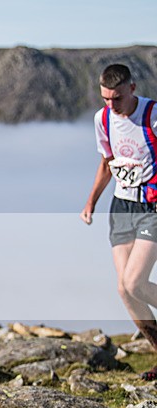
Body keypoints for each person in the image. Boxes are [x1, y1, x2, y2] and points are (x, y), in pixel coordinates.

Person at [81, 63, 157, 380]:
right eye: (105, 99)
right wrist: (91, 202)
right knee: (124, 292)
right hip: (121, 207)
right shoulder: (103, 119)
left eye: (117, 98)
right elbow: (107, 163)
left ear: (132, 89)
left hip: (152, 207)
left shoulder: (152, 115)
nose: (111, 105)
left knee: (135, 283)